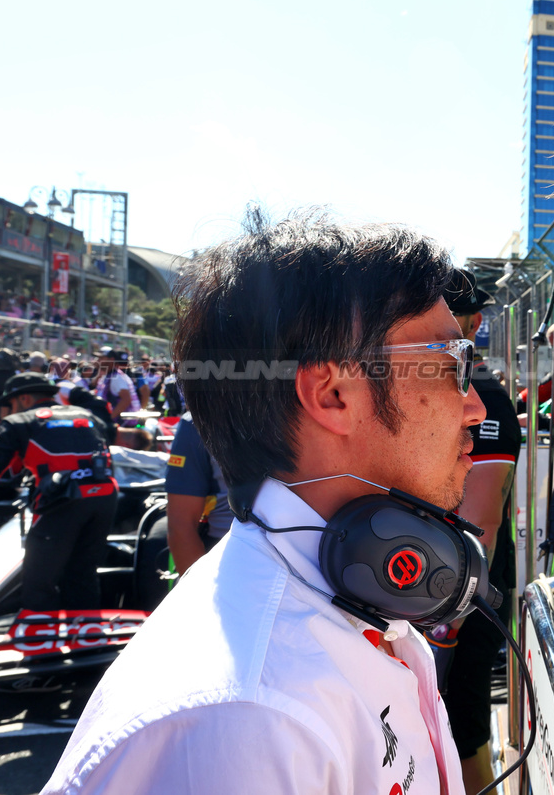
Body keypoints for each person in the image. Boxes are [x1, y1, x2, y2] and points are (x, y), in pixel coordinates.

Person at [44, 209, 485, 795]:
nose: (476, 406)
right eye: (451, 364)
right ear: (332, 394)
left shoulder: (352, 602)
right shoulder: (250, 717)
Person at [437, 268, 522, 795]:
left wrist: (445, 617)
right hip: (433, 592)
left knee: (464, 727)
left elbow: (481, 523)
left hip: (466, 597)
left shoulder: (482, 396)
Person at [0, 372, 116, 610]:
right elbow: (102, 413)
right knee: (82, 573)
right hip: (105, 498)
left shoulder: (19, 422)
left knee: (39, 580)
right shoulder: (87, 414)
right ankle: (87, 640)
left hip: (62, 500)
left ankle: (38, 638)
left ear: (24, 399)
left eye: (7, 405)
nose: (6, 411)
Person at [164, 411, 233, 575]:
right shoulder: (199, 421)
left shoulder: (300, 408)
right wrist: (199, 594)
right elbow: (181, 524)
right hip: (229, 552)